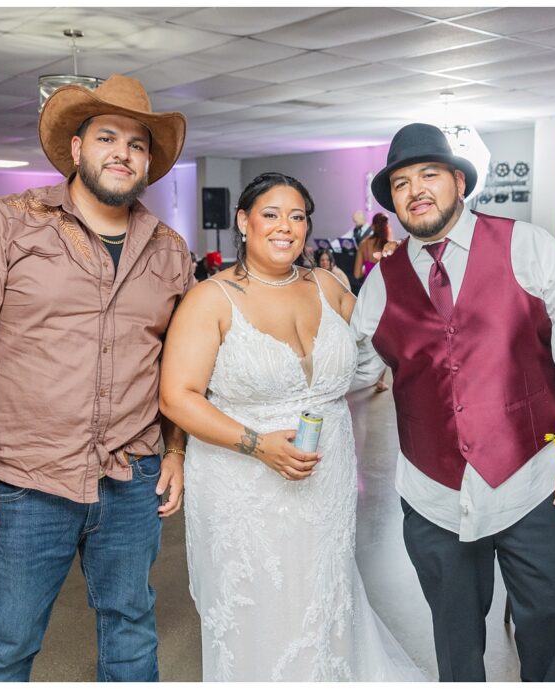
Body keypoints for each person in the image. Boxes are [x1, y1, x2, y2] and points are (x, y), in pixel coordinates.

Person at [0, 75, 195, 681]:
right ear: (77, 149)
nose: (122, 152)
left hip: (131, 480)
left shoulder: (170, 251)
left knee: (131, 627)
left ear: (148, 161)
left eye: (137, 143)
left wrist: (176, 449)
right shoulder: (8, 223)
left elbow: (179, 365)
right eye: (107, 136)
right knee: (6, 643)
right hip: (24, 482)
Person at [351, 123, 555, 681]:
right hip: (432, 493)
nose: (415, 190)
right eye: (400, 183)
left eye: (429, 175)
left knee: (551, 630)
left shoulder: (530, 247)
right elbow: (356, 369)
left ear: (459, 182)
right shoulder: (382, 281)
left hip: (540, 483)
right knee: (455, 641)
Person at [159, 172, 424, 682]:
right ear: (243, 221)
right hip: (242, 482)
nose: (286, 227)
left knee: (323, 589)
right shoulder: (210, 300)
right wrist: (258, 445)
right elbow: (177, 397)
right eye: (272, 214)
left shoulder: (329, 286)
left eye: (297, 216)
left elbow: (381, 341)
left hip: (328, 477)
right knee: (259, 603)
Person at [353, 212, 392, 281]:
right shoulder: (392, 246)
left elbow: (357, 274)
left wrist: (368, 269)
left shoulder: (364, 244)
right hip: (388, 288)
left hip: (370, 289)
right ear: (387, 227)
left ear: (372, 226)